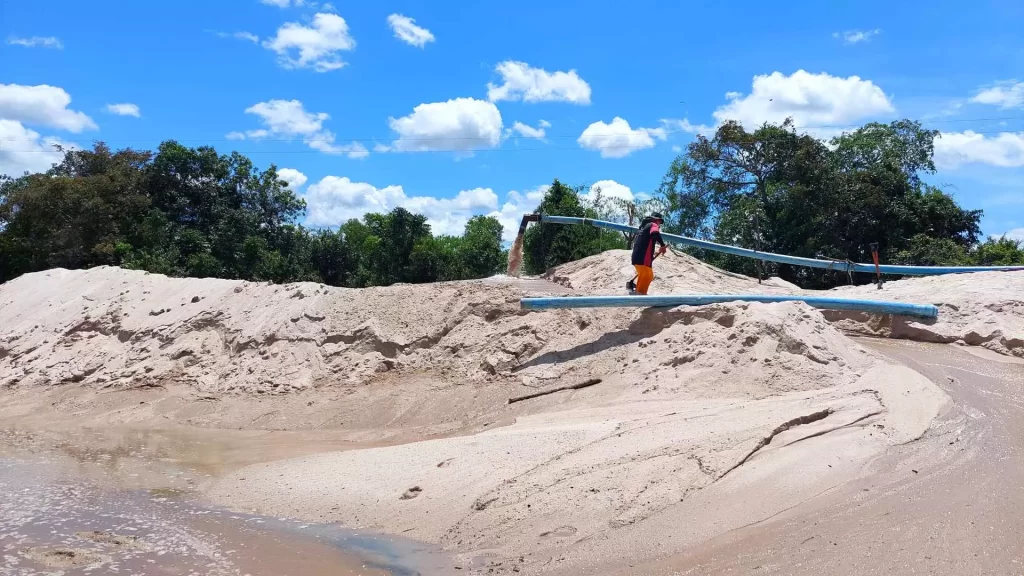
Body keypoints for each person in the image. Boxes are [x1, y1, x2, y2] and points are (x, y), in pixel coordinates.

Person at [630, 212, 667, 295]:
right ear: (656, 219)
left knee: (644, 274)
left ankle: (639, 292)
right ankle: (639, 294)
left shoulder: (643, 228)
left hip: (636, 257)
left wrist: (653, 254)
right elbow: (655, 233)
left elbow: (646, 243)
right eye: (659, 221)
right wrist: (662, 245)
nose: (659, 224)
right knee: (648, 275)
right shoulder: (653, 225)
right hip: (643, 258)